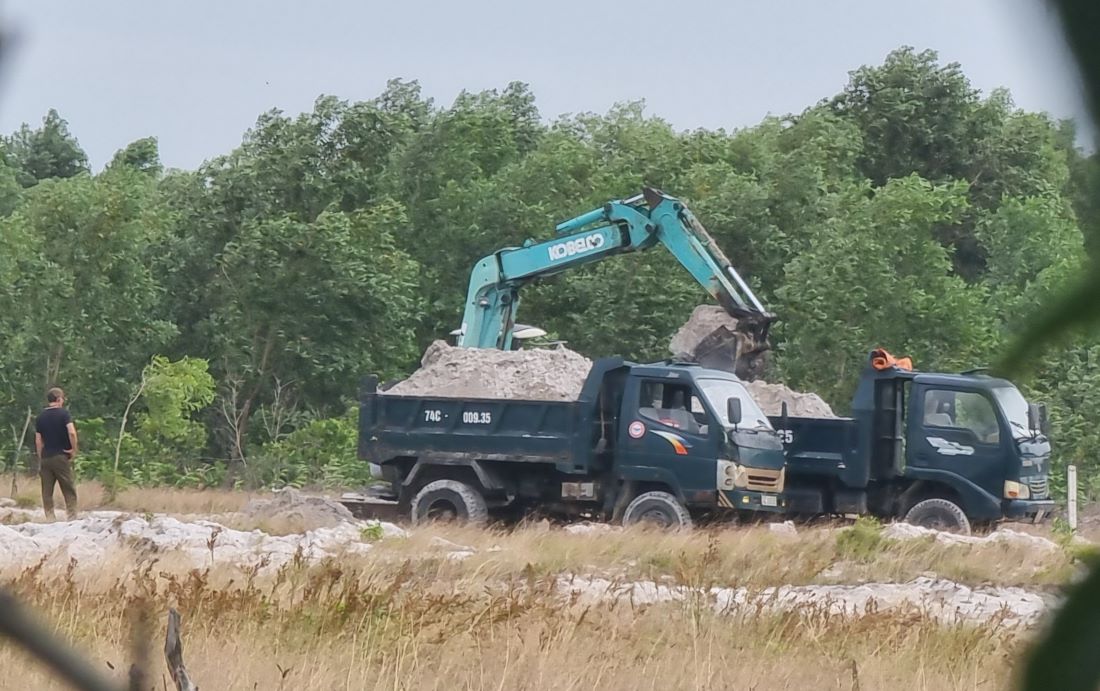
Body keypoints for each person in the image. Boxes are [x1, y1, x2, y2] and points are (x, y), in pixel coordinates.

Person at [34, 387, 79, 519]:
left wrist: (41, 456)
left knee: (47, 490)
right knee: (68, 487)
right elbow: (72, 432)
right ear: (59, 399)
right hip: (61, 455)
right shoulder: (64, 414)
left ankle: (50, 517)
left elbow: (38, 440)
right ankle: (72, 516)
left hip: (46, 456)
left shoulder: (40, 417)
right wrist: (73, 449)